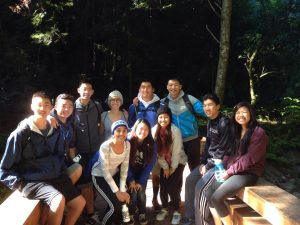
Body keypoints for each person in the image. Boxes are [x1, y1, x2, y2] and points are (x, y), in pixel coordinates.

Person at [0, 91, 85, 225]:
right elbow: (4, 169)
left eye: (46, 105)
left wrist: (60, 171)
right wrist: (18, 183)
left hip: (53, 176)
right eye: (39, 105)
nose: (43, 108)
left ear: (51, 108)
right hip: (31, 180)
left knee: (80, 203)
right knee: (58, 200)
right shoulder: (21, 134)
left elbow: (59, 155)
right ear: (31, 107)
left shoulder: (55, 130)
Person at [202, 102, 268, 225]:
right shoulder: (236, 130)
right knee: (208, 192)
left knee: (217, 198)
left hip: (249, 172)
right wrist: (223, 167)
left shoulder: (259, 133)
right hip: (233, 170)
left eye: (244, 112)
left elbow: (250, 158)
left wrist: (228, 172)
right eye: (237, 112)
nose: (240, 115)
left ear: (251, 114)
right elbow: (229, 152)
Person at [180, 93, 231, 225]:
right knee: (190, 180)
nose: (206, 108)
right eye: (204, 105)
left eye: (210, 105)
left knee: (200, 186)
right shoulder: (210, 121)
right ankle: (190, 217)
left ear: (218, 106)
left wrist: (207, 166)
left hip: (221, 165)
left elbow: (222, 150)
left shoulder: (224, 123)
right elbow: (208, 144)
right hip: (209, 163)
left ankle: (203, 221)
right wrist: (203, 163)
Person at [128, 79, 162, 210]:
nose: (145, 90)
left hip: (155, 144)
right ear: (139, 89)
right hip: (138, 145)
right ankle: (134, 203)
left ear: (153, 89)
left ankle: (154, 199)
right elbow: (131, 124)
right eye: (143, 87)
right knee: (137, 168)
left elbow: (163, 121)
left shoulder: (159, 105)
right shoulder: (134, 106)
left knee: (155, 172)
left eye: (148, 87)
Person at [73, 78, 103, 224]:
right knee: (83, 182)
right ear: (78, 90)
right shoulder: (72, 107)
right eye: (83, 89)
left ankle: (89, 208)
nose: (86, 92)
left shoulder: (96, 106)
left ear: (92, 92)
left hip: (95, 150)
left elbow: (101, 124)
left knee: (93, 180)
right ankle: (89, 213)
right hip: (79, 151)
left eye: (89, 89)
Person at [152, 107, 187, 225]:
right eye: (160, 117)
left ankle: (176, 210)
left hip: (178, 161)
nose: (163, 119)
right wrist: (165, 167)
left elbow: (177, 151)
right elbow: (158, 152)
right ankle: (165, 208)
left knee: (173, 187)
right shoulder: (154, 131)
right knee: (163, 186)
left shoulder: (175, 130)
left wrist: (172, 168)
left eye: (166, 117)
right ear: (157, 118)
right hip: (164, 163)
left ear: (170, 118)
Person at [162, 78, 206, 171]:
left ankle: (196, 185)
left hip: (192, 139)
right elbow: (151, 105)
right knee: (175, 169)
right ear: (167, 87)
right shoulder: (164, 102)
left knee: (195, 168)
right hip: (174, 140)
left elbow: (206, 112)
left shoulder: (189, 99)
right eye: (170, 85)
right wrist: (138, 98)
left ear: (180, 87)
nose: (173, 87)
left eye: (176, 85)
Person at [91, 120, 131, 225]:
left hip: (114, 174)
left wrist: (122, 190)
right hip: (99, 176)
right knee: (115, 207)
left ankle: (116, 222)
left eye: (124, 131)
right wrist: (117, 192)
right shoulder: (105, 146)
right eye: (118, 130)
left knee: (122, 200)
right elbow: (105, 171)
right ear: (113, 133)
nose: (121, 133)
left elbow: (124, 168)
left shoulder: (127, 144)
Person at [127, 119, 157, 225]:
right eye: (140, 128)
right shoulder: (128, 141)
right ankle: (130, 213)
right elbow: (124, 163)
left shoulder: (151, 144)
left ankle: (142, 212)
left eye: (146, 129)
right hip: (129, 172)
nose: (143, 131)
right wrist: (130, 179)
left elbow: (150, 165)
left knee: (141, 193)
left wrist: (140, 181)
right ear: (135, 128)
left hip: (141, 173)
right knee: (132, 193)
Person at [51, 93, 82, 184]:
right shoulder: (49, 121)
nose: (67, 109)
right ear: (55, 107)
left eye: (70, 106)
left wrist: (74, 162)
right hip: (49, 168)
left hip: (63, 163)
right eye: (63, 106)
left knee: (78, 168)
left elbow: (71, 146)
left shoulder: (70, 125)